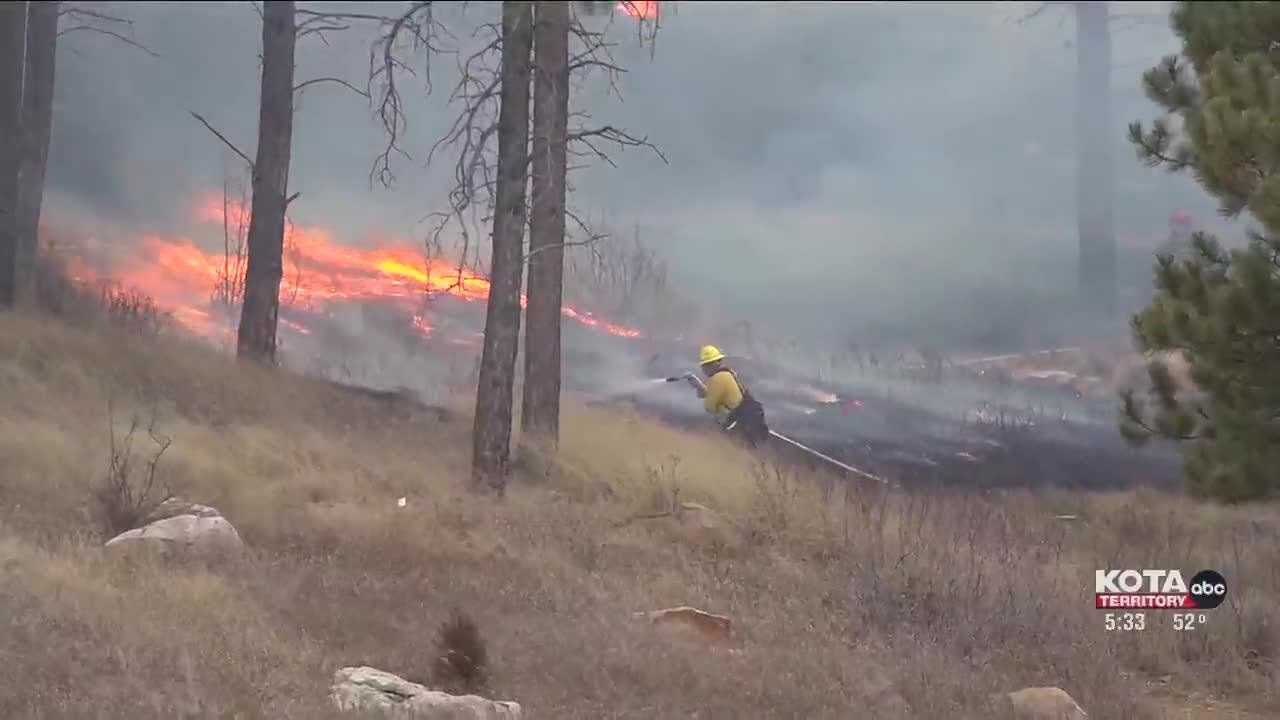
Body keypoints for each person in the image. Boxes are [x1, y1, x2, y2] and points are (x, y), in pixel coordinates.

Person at [695, 344, 770, 447]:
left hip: (739, 422)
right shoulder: (728, 373)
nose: (703, 369)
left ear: (709, 365)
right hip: (750, 415)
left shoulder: (716, 379)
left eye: (704, 366)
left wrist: (704, 393)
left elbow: (709, 407)